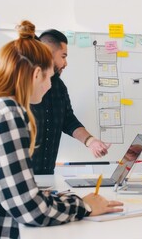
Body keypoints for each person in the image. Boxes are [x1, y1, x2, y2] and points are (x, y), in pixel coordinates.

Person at [0, 20, 123, 238]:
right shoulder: (7, 112)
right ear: (37, 75)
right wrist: (84, 205)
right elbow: (29, 210)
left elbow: (16, 196)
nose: (49, 86)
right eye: (49, 78)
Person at [31, 29, 110, 174]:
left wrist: (91, 141)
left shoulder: (59, 87)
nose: (65, 63)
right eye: (63, 56)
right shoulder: (22, 89)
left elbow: (68, 119)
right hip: (21, 177)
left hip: (47, 174)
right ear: (47, 54)